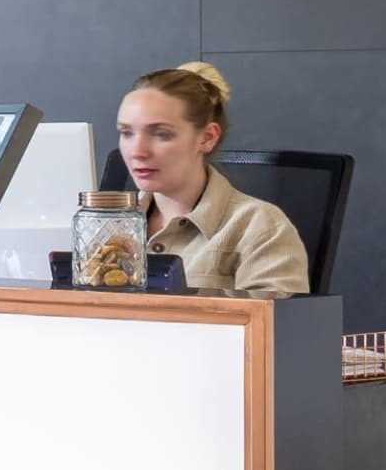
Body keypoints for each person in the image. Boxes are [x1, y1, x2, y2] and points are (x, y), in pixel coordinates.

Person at [115, 60, 307, 298]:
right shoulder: (109, 228)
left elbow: (276, 330)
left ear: (207, 137)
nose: (137, 151)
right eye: (127, 133)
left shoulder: (261, 229)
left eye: (161, 134)